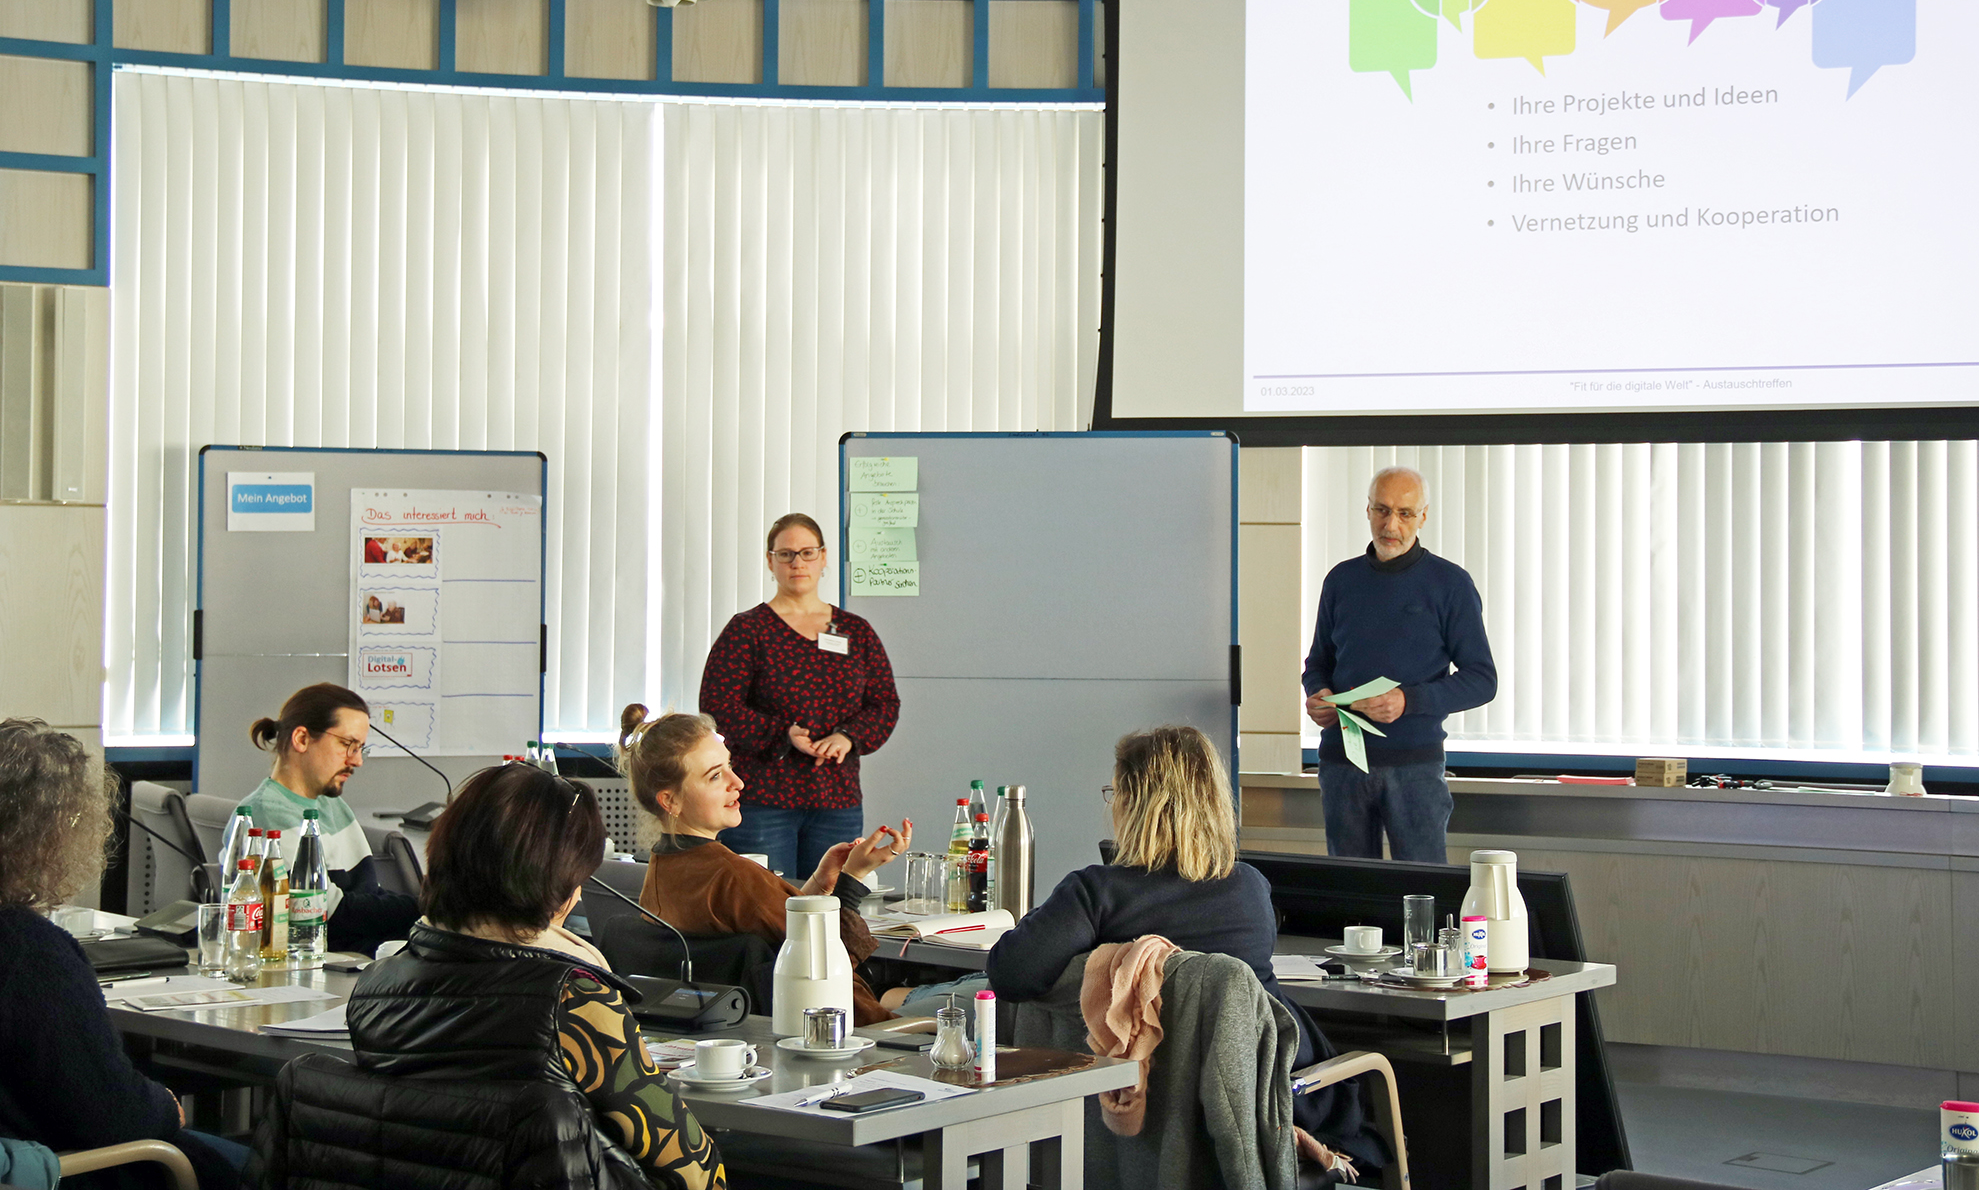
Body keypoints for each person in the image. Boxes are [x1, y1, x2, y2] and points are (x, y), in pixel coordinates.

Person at [986, 726, 1378, 1170]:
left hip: (1135, 1130)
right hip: (1262, 1102)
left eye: (1115, 792)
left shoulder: (1097, 893)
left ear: (1133, 803)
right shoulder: (1249, 889)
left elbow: (1009, 972)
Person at [336, 761, 724, 1190]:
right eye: (578, 877)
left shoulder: (375, 987)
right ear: (555, 884)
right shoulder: (574, 1000)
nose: (577, 896)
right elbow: (697, 1174)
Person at [0, 718, 248, 1190]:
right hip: (62, 1168)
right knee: (262, 1167)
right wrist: (165, 1107)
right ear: (56, 835)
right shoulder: (28, 952)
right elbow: (107, 1112)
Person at [616, 704, 935, 1025]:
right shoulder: (733, 876)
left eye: (729, 766)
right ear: (669, 800)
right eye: (715, 776)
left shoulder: (663, 869)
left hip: (766, 1030)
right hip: (858, 1028)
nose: (737, 782)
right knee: (972, 990)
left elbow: (771, 933)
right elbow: (824, 963)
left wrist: (819, 885)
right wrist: (854, 878)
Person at [1304, 466, 1497, 864]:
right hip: (1343, 763)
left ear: (1423, 517)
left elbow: (1482, 680)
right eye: (1382, 510)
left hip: (1415, 769)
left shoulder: (1450, 584)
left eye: (1405, 513)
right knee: (1350, 897)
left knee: (1422, 894)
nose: (1391, 524)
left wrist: (1407, 701)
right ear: (1368, 511)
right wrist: (1317, 693)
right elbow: (1318, 662)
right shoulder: (1340, 580)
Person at [698, 511, 901, 878]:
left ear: (823, 558)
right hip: (762, 800)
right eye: (786, 554)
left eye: (808, 553)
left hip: (836, 800)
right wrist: (782, 734)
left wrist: (848, 737)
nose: (798, 562)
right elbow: (717, 706)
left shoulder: (856, 631)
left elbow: (885, 704)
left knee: (832, 908)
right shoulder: (748, 630)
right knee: (765, 908)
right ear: (770, 561)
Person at [235, 683, 419, 953]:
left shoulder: (332, 805)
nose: (357, 761)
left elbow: (370, 899)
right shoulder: (267, 816)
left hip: (362, 953)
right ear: (302, 739)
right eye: (347, 745)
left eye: (360, 748)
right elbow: (330, 915)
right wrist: (433, 909)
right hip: (323, 962)